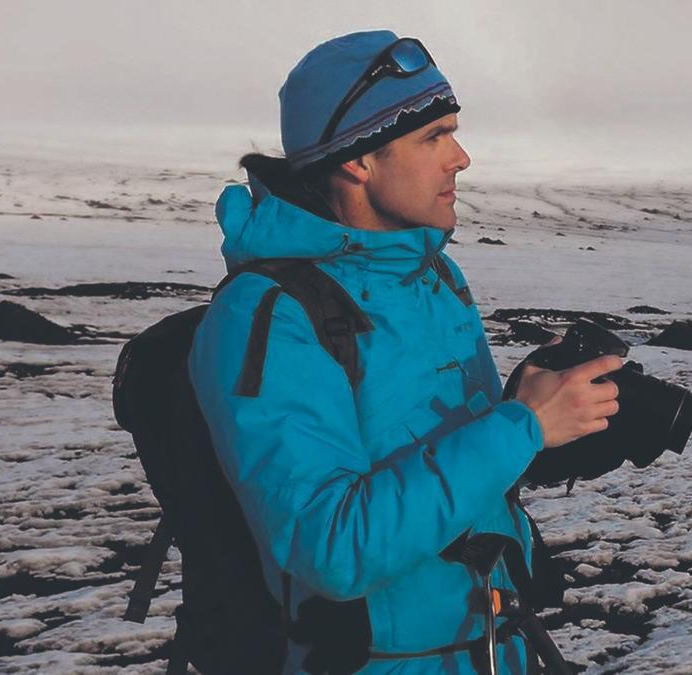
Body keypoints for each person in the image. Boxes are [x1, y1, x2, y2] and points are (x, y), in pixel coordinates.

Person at [188, 30, 622, 674]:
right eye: (434, 137)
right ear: (357, 160)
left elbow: (445, 466)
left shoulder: (435, 280)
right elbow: (332, 550)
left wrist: (545, 419)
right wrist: (520, 426)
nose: (462, 157)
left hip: (493, 647)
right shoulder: (269, 315)